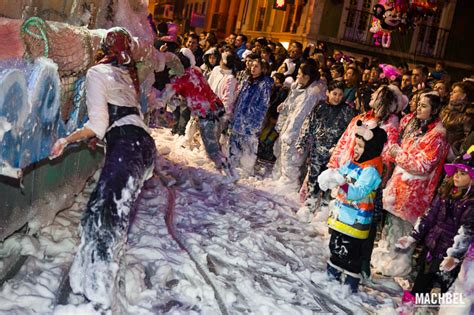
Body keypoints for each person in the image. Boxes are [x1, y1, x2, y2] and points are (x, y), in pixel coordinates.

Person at [50, 28, 156, 309]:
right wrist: (104, 138)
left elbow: (98, 123)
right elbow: (125, 117)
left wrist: (66, 140)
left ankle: (97, 294)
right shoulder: (126, 73)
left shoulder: (97, 72)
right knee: (99, 212)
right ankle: (85, 281)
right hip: (143, 147)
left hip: (127, 146)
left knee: (105, 219)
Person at [372, 93, 449, 277]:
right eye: (419, 104)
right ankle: (386, 259)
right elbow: (399, 151)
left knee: (403, 231)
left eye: (424, 106)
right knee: (391, 227)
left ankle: (399, 265)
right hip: (398, 186)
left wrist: (398, 154)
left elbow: (422, 165)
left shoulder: (437, 136)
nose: (419, 109)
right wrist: (394, 152)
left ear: (434, 110)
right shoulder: (416, 127)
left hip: (414, 193)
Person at [319, 121, 388, 293]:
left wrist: (341, 182)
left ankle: (349, 286)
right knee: (335, 246)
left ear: (371, 149)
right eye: (355, 145)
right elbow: (339, 173)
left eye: (360, 146)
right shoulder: (353, 164)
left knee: (351, 254)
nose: (355, 149)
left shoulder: (371, 170)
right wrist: (329, 176)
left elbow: (357, 192)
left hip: (356, 221)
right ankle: (331, 277)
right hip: (342, 217)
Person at [397, 150, 473, 303]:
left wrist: (454, 256)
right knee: (422, 279)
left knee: (444, 287)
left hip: (449, 253)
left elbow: (467, 233)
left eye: (463, 173)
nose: (456, 176)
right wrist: (413, 236)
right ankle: (410, 306)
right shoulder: (446, 193)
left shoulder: (471, 204)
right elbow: (429, 215)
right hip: (433, 245)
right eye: (456, 172)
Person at [157, 48, 234, 178]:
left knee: (212, 148)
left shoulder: (181, 79)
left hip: (207, 113)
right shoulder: (195, 72)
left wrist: (158, 105)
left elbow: (164, 97)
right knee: (212, 145)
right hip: (217, 107)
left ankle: (231, 175)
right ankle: (227, 172)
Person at [297, 80, 354, 212]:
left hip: (335, 154)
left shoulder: (347, 111)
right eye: (334, 94)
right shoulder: (320, 107)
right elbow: (308, 125)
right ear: (328, 93)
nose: (337, 97)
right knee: (313, 179)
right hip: (317, 150)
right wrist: (302, 142)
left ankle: (324, 209)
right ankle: (309, 206)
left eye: (340, 94)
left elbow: (349, 133)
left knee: (330, 181)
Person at [272, 60, 327, 188]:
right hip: (290, 127)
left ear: (306, 77)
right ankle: (280, 181)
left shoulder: (310, 94)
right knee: (283, 156)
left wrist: (290, 133)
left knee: (291, 160)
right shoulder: (300, 87)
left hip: (297, 133)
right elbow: (292, 101)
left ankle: (288, 186)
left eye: (299, 74)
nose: (297, 76)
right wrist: (285, 106)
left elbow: (300, 116)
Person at [228, 58, 273, 177]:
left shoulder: (265, 84)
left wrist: (255, 123)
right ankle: (234, 164)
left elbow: (263, 106)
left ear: (263, 69)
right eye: (252, 65)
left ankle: (246, 169)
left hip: (251, 122)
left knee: (248, 146)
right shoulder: (247, 80)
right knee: (235, 143)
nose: (253, 68)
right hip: (239, 119)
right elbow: (239, 100)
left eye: (256, 66)